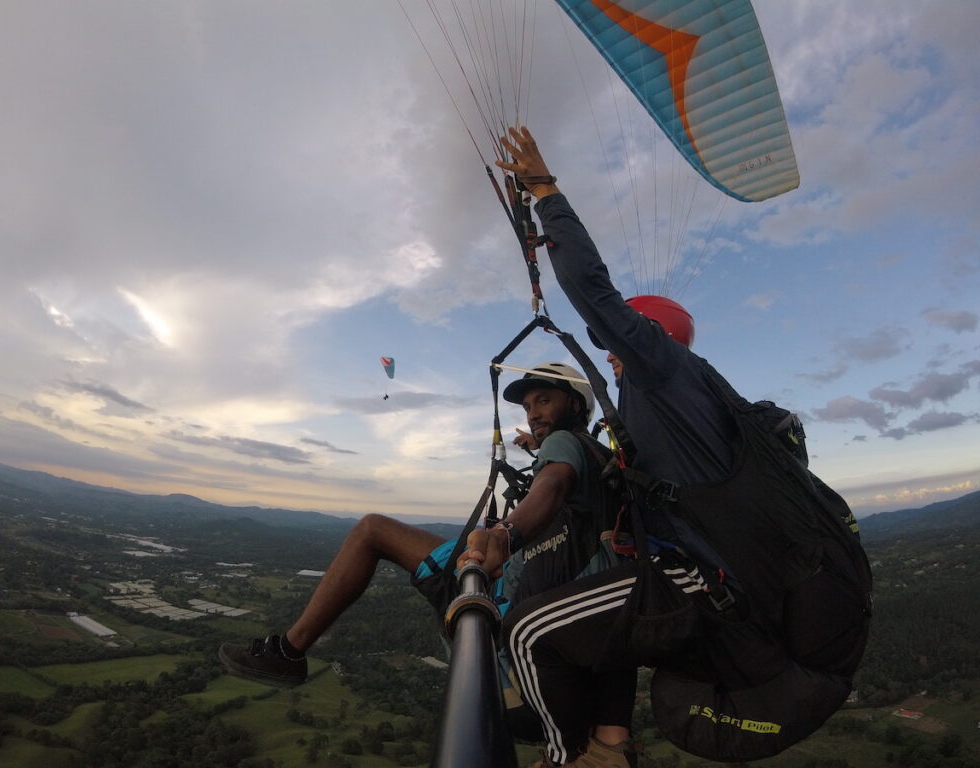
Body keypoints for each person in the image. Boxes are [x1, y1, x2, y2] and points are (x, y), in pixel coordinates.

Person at [489, 126, 873, 768]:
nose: (608, 345)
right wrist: (547, 446)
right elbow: (637, 479)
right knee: (584, 618)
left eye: (619, 335)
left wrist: (546, 192)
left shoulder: (662, 371)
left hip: (698, 588)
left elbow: (592, 288)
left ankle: (581, 759)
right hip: (717, 588)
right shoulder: (677, 402)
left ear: (645, 334)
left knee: (527, 631)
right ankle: (608, 740)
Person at [219, 362, 619, 733]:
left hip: (500, 603)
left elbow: (553, 483)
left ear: (576, 404)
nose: (532, 412)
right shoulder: (596, 452)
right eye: (529, 406)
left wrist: (502, 536)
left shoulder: (564, 445)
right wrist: (536, 442)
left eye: (544, 401)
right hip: (524, 592)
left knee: (372, 530)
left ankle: (287, 653)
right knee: (376, 531)